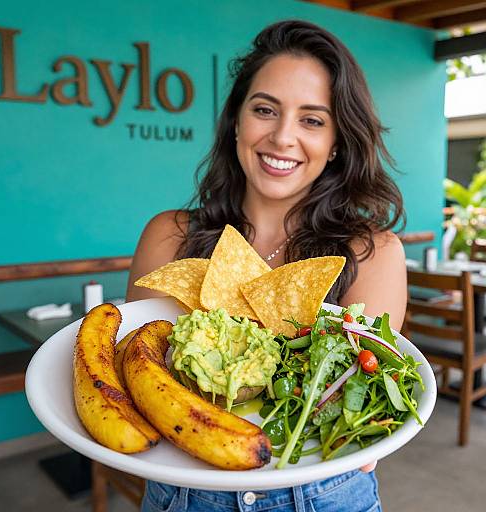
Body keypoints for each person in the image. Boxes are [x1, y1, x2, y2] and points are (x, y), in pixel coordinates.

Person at [126, 19, 406, 512]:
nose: (282, 137)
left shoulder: (374, 254)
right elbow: (143, 382)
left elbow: (359, 399)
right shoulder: (168, 237)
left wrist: (366, 433)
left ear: (337, 141)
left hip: (325, 495)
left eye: (312, 120)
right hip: (185, 491)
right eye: (265, 110)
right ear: (236, 120)